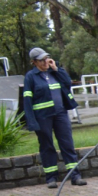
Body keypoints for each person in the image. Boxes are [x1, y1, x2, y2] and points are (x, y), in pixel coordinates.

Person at [22, 48, 87, 188]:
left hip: (60, 114)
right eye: (41, 60)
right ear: (34, 62)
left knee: (67, 144)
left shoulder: (54, 72)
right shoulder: (30, 76)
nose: (45, 62)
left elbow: (67, 83)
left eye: (46, 58)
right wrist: (31, 122)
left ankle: (75, 176)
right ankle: (51, 178)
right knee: (47, 146)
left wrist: (57, 68)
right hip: (42, 117)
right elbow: (27, 100)